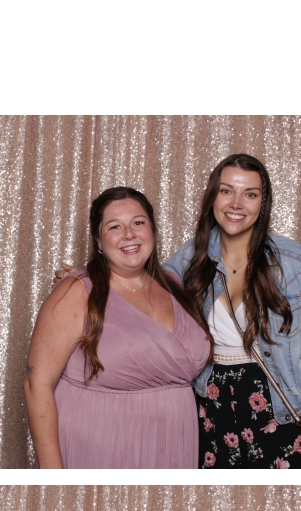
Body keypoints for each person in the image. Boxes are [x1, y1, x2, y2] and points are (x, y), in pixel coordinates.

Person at [164, 154, 301, 470]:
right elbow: (142, 291)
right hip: (212, 407)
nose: (236, 203)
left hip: (278, 408)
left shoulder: (293, 262)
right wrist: (90, 280)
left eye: (250, 194)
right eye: (226, 191)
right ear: (213, 196)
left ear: (263, 203)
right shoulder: (192, 256)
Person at [24, 187, 211, 470]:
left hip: (173, 445)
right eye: (115, 226)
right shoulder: (77, 291)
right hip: (101, 446)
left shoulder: (175, 285)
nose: (129, 234)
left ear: (152, 230)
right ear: (99, 241)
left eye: (138, 222)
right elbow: (36, 384)